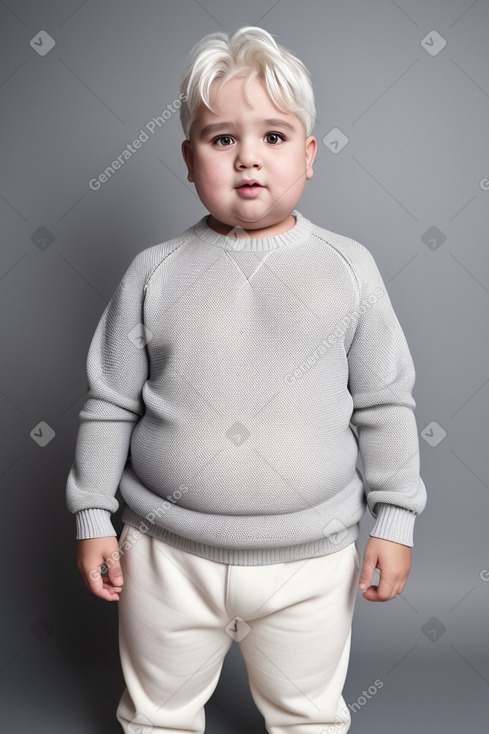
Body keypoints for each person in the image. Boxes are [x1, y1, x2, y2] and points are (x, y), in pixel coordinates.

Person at [66, 26, 427, 733]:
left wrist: (395, 519)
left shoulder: (346, 269)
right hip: (164, 553)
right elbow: (109, 404)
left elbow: (383, 404)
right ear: (187, 158)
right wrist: (91, 515)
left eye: (273, 136)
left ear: (310, 154)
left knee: (308, 717)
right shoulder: (154, 272)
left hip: (311, 560)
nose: (248, 159)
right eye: (221, 139)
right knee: (156, 716)